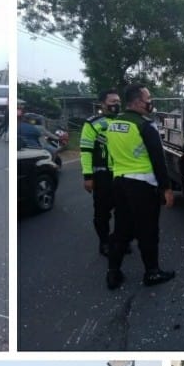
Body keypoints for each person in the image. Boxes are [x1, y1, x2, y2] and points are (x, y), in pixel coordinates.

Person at [103, 84, 175, 290]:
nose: (150, 102)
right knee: (148, 230)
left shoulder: (114, 124)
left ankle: (113, 273)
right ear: (136, 102)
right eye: (148, 98)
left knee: (121, 229)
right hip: (142, 185)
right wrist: (166, 188)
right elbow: (158, 160)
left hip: (119, 182)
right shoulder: (145, 125)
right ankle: (152, 272)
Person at [80, 89, 122, 256]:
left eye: (118, 101)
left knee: (123, 211)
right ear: (103, 104)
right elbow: (85, 151)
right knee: (102, 213)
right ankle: (104, 242)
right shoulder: (92, 124)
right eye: (112, 102)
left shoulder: (124, 121)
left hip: (122, 173)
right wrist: (88, 176)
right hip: (102, 175)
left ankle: (120, 240)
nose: (116, 104)